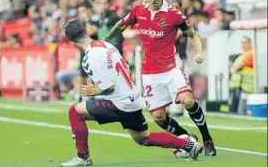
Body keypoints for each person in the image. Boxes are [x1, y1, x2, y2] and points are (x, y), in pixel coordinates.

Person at [60, 19, 203, 167]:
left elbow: (109, 88)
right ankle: (188, 144)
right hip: (133, 99)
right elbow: (127, 70)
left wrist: (96, 90)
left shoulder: (89, 58)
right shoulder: (107, 45)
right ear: (86, 32)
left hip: (120, 103)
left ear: (72, 42)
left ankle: (83, 157)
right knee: (143, 138)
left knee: (75, 111)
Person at [103, 0, 216, 156]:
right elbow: (121, 25)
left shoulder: (174, 14)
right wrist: (105, 41)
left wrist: (199, 52)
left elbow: (193, 35)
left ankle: (207, 139)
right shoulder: (138, 10)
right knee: (158, 117)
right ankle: (186, 138)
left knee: (187, 100)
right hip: (149, 72)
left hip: (171, 66)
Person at [229, 36, 254, 115]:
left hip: (251, 87)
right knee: (242, 111)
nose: (243, 44)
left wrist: (236, 67)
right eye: (242, 42)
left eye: (245, 42)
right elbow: (233, 69)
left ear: (250, 43)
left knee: (245, 111)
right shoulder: (242, 56)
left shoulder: (250, 54)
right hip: (243, 86)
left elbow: (237, 67)